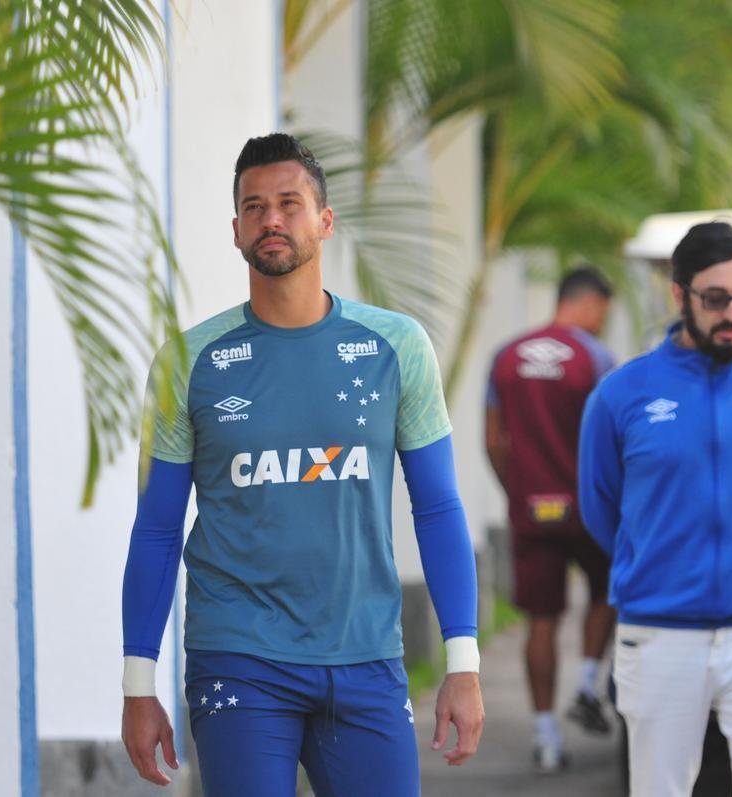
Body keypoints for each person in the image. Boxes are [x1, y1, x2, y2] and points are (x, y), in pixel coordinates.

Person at [119, 133, 485, 796]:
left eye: (289, 202)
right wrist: (137, 683)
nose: (272, 219)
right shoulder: (187, 363)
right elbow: (156, 529)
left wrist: (463, 660)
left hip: (366, 654)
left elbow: (437, 507)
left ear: (324, 220)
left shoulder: (395, 346)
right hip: (240, 657)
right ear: (236, 231)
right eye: (254, 207)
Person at [578, 221, 732, 797]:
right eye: (715, 299)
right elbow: (601, 507)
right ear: (679, 295)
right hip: (659, 632)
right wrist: (662, 559)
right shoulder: (622, 394)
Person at [484, 266, 617, 772]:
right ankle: (587, 684)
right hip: (588, 508)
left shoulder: (506, 356)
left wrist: (517, 491)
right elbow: (613, 435)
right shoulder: (595, 357)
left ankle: (545, 738)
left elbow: (493, 438)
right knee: (607, 591)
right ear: (588, 303)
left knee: (541, 620)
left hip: (530, 509)